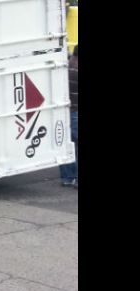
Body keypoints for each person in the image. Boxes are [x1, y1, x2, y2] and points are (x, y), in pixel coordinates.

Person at [60, 44, 78, 188]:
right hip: (75, 110)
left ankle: (67, 177)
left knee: (65, 144)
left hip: (64, 110)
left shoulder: (67, 64)